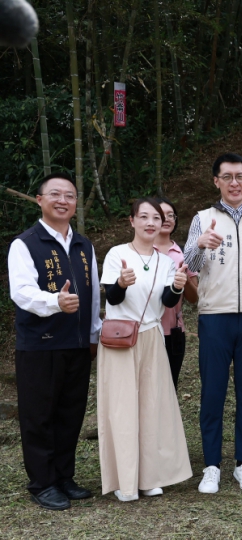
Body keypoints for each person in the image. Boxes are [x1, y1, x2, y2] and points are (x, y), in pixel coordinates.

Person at [184, 152, 242, 494]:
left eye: (240, 176)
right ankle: (211, 465)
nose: (234, 182)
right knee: (213, 392)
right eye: (227, 177)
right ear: (216, 182)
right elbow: (187, 265)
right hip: (215, 317)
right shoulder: (202, 218)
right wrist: (199, 244)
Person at [8, 173, 102, 511]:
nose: (63, 200)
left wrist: (93, 335)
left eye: (70, 196)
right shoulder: (26, 243)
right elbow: (21, 293)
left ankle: (64, 476)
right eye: (55, 194)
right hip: (40, 345)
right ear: (39, 200)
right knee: (39, 415)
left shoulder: (84, 245)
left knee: (70, 413)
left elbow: (92, 297)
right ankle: (42, 482)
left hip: (76, 345)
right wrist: (54, 302)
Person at [97, 198, 192, 502]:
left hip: (152, 336)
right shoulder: (117, 254)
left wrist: (178, 286)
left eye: (158, 217)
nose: (152, 223)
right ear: (132, 221)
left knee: (154, 407)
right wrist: (122, 283)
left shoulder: (165, 261)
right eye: (145, 217)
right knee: (123, 409)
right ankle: (126, 481)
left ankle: (151, 477)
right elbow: (111, 299)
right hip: (120, 339)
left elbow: (166, 302)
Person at [154, 197, 198, 390]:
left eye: (171, 215)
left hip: (173, 331)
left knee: (169, 388)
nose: (167, 219)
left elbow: (194, 298)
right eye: (161, 215)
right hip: (145, 331)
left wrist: (184, 277)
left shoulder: (183, 254)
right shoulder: (139, 251)